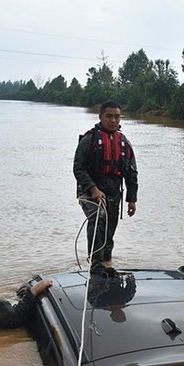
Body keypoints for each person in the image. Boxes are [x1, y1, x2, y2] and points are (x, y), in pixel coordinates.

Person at [73, 100, 138, 274]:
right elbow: (78, 168)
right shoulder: (90, 139)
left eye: (117, 117)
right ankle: (95, 263)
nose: (113, 121)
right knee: (99, 217)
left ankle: (107, 262)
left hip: (113, 193)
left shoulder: (124, 143)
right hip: (89, 192)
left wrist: (132, 199)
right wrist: (93, 189)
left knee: (109, 230)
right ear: (101, 116)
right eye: (109, 116)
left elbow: (132, 173)